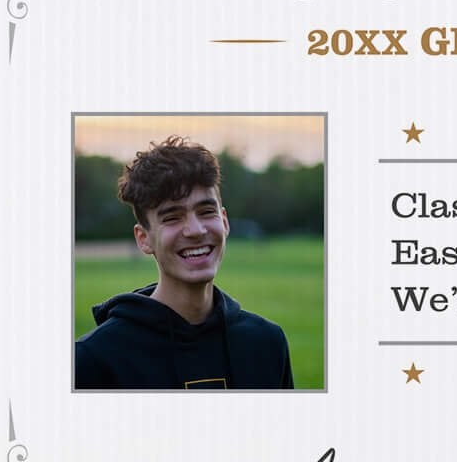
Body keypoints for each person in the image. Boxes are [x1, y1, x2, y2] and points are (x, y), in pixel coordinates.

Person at [74, 135, 293, 389]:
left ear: (224, 222)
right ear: (144, 239)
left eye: (206, 211)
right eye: (172, 217)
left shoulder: (267, 344)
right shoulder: (95, 359)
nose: (196, 230)